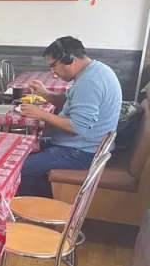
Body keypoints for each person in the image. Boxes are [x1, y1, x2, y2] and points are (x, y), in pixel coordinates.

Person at [18, 36, 122, 197]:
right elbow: (71, 101)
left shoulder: (89, 82)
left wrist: (41, 114)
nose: (53, 72)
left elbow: (77, 127)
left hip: (81, 153)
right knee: (20, 149)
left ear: (69, 59)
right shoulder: (95, 70)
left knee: (19, 168)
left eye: (53, 66)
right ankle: (41, 197)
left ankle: (38, 207)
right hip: (80, 146)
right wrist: (46, 94)